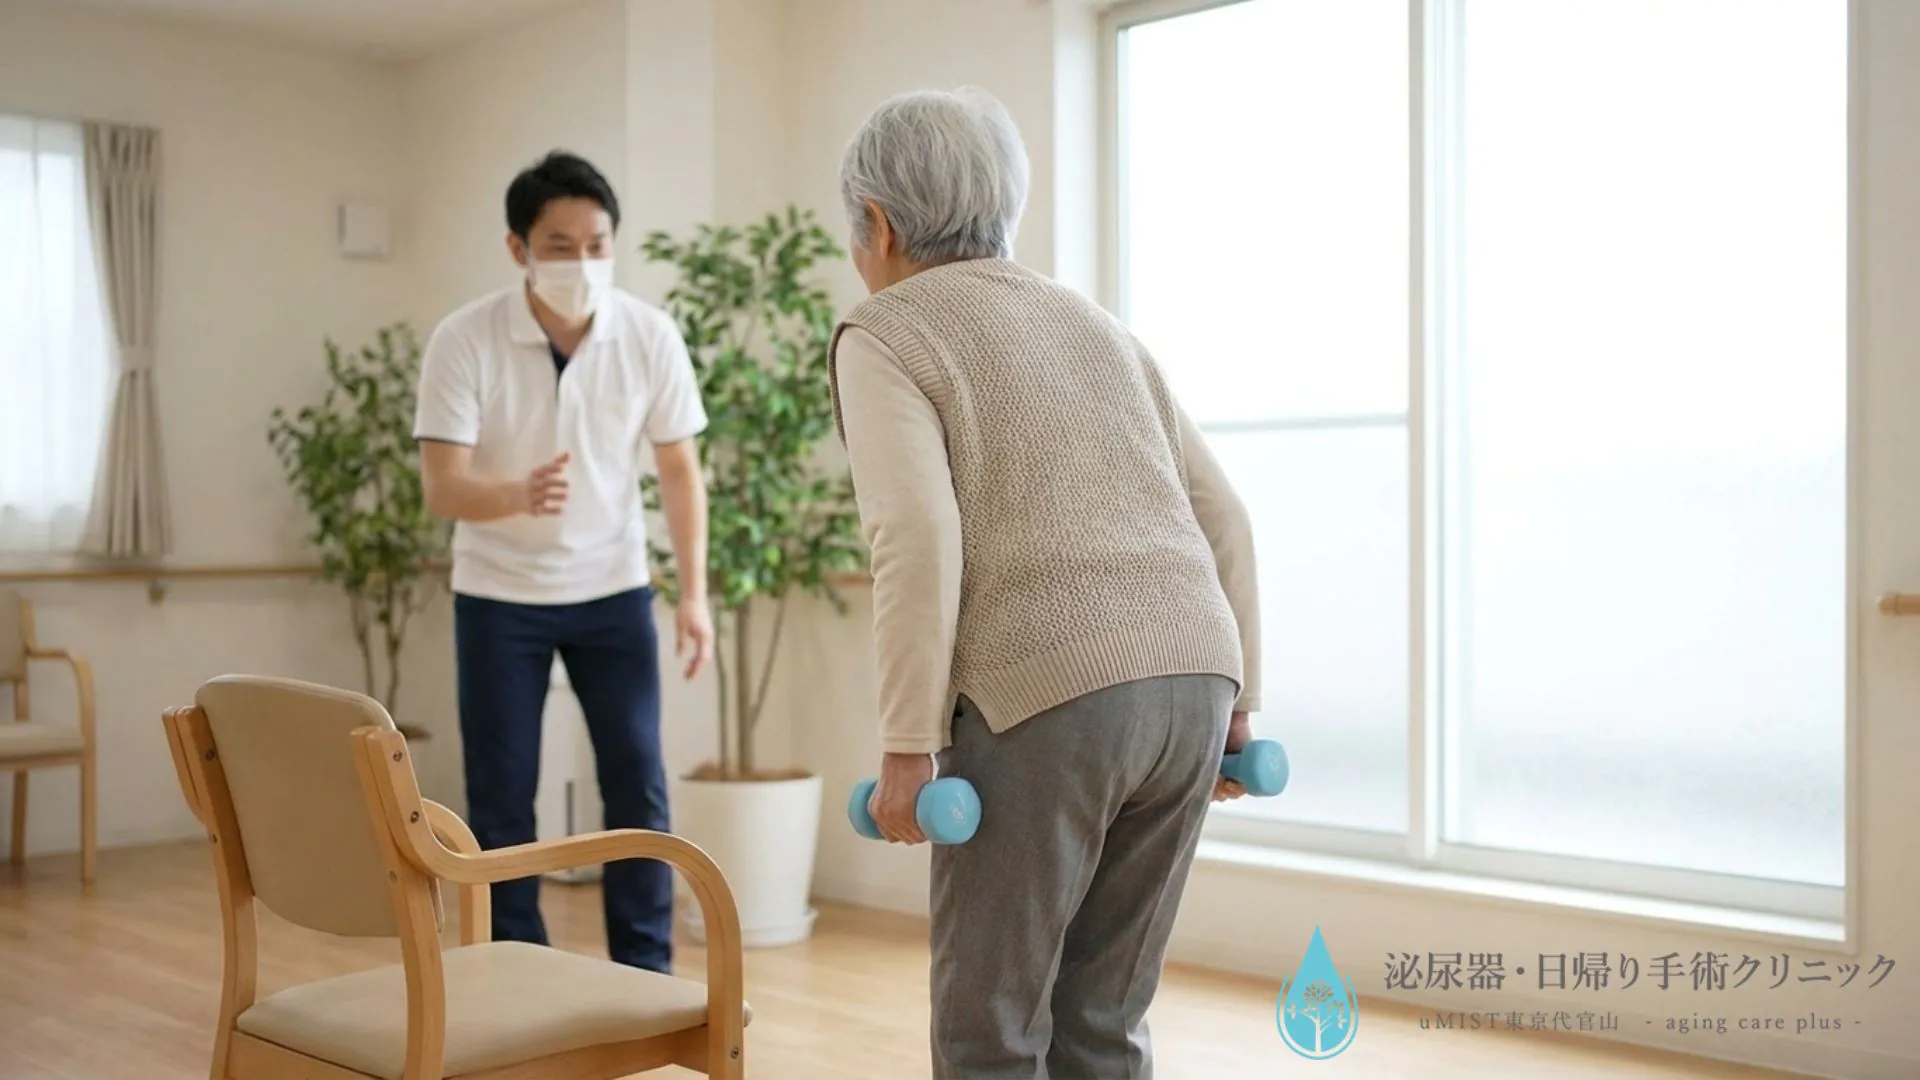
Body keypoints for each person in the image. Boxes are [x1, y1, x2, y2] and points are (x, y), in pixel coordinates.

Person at [829, 88, 1264, 1079]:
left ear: (879, 227)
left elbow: (915, 536)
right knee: (1103, 1015)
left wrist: (907, 746)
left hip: (1047, 697)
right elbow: (1227, 517)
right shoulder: (1099, 325)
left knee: (991, 1028)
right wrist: (1241, 713)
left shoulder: (886, 329)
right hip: (1198, 684)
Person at [411, 150, 713, 975]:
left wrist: (694, 596)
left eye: (597, 244)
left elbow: (680, 473)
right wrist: (515, 495)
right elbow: (441, 487)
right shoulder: (464, 339)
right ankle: (518, 971)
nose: (582, 262)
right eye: (560, 245)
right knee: (502, 791)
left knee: (637, 785)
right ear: (518, 249)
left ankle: (645, 975)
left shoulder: (648, 335)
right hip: (498, 597)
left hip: (613, 591)